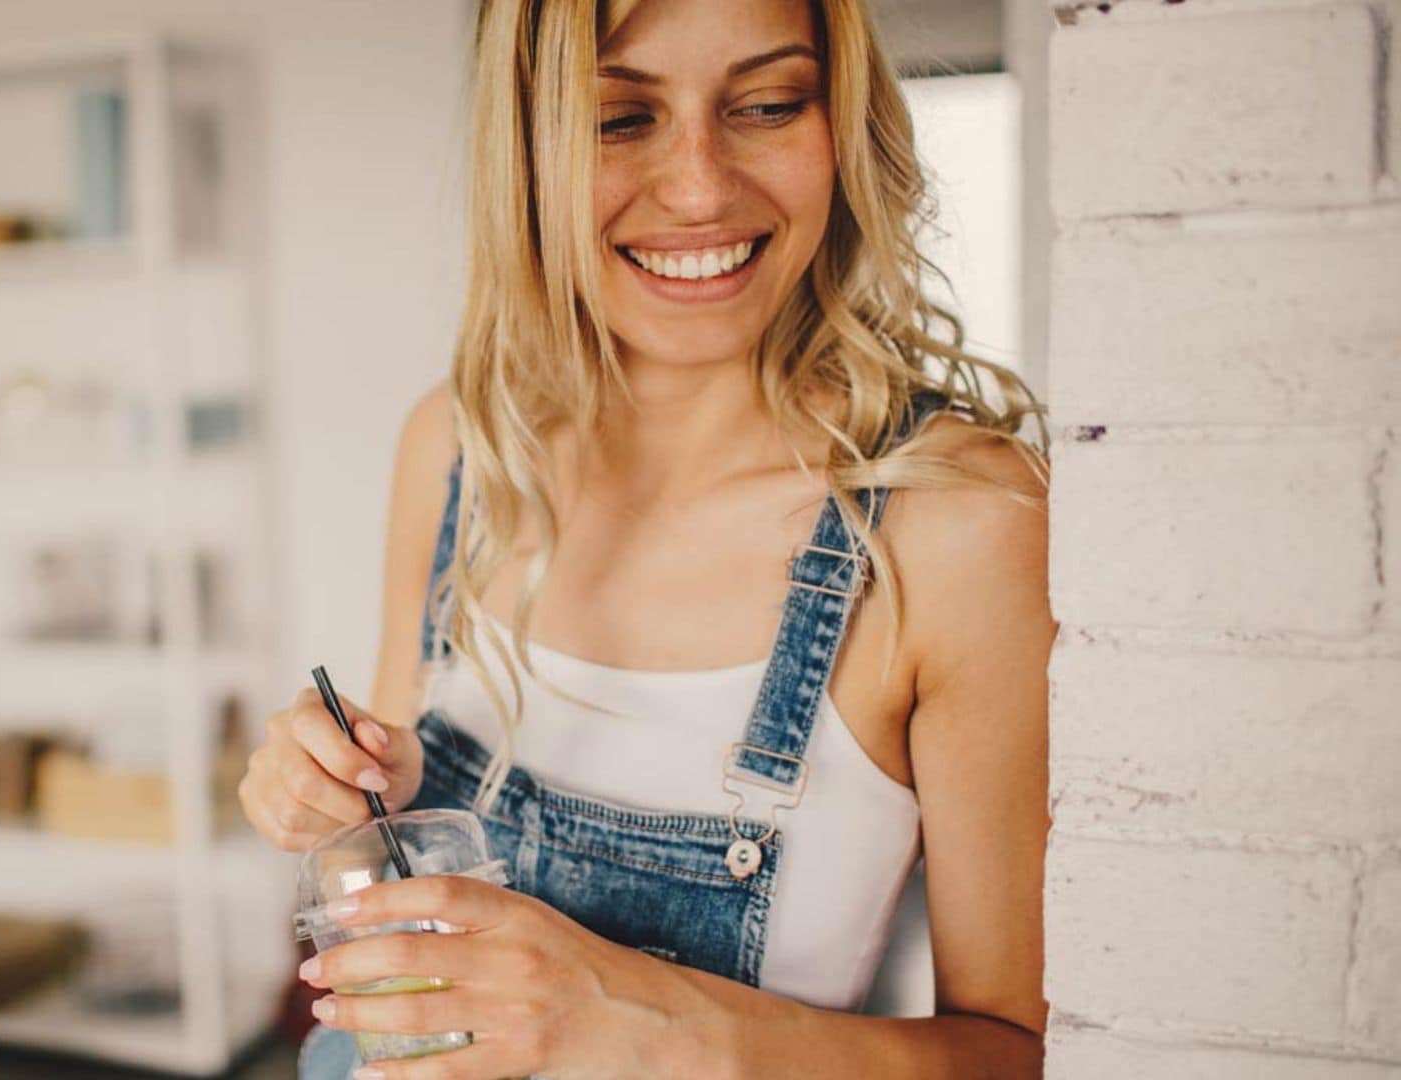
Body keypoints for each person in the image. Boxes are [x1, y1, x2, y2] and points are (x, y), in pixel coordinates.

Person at [238, 0, 1053, 1075]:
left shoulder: (958, 525)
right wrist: (324, 791)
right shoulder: (460, 444)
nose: (702, 186)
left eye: (766, 104)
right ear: (524, 150)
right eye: (620, 119)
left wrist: (652, 1018)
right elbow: (386, 812)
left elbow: (1020, 1054)